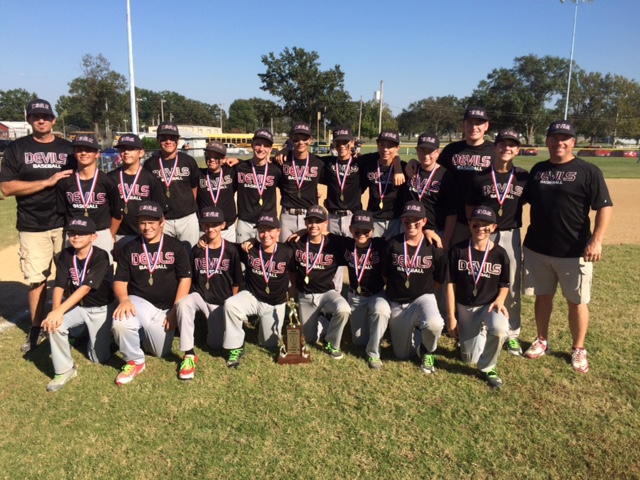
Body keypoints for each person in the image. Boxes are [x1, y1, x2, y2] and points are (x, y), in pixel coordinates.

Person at [522, 121, 613, 373]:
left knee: (576, 301)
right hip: (537, 248)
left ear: (573, 142)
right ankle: (542, 339)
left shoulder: (588, 171)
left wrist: (596, 240)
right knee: (543, 296)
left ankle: (578, 348)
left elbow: (604, 206)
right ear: (547, 140)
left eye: (565, 138)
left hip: (574, 251)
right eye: (554, 137)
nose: (559, 142)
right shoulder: (538, 170)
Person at [0, 99, 76, 352]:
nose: (40, 120)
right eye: (35, 116)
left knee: (71, 276)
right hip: (33, 224)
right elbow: (6, 188)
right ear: (29, 120)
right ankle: (35, 328)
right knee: (37, 279)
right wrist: (47, 182)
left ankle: (74, 324)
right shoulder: (16, 148)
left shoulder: (68, 149)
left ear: (53, 120)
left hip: (67, 222)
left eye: (45, 116)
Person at [111, 201, 192, 385]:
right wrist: (123, 299)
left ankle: (139, 336)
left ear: (162, 222)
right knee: (120, 321)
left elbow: (185, 279)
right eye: (142, 223)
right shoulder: (130, 248)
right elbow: (120, 280)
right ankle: (134, 360)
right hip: (139, 303)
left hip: (165, 310)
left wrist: (174, 311)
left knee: (159, 352)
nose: (147, 227)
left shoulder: (176, 246)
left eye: (151, 222)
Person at [466, 128, 529, 356]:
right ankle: (479, 325)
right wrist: (476, 231)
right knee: (480, 276)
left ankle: (512, 333)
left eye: (512, 145)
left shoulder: (523, 177)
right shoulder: (481, 176)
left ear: (517, 150)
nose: (506, 148)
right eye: (502, 144)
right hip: (484, 233)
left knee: (511, 282)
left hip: (510, 233)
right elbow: (470, 208)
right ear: (495, 147)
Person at [41, 217, 114, 391]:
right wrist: (55, 312)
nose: (76, 237)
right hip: (77, 307)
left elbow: (85, 288)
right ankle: (65, 370)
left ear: (93, 237)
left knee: (97, 358)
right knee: (55, 326)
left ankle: (104, 334)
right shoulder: (66, 255)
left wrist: (59, 311)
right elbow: (59, 285)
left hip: (100, 308)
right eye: (72, 233)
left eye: (82, 234)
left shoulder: (101, 255)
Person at [408, 106, 494, 246]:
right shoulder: (452, 150)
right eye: (469, 122)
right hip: (457, 220)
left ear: (486, 126)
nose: (474, 127)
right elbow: (431, 167)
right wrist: (412, 162)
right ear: (463, 125)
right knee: (456, 261)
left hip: (486, 221)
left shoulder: (494, 150)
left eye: (478, 123)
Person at [446, 206, 510, 388]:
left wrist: (500, 300)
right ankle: (477, 333)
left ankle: (488, 367)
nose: (481, 228)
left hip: (488, 306)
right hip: (465, 307)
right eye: (476, 224)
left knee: (500, 328)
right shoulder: (458, 250)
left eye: (486, 225)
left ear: (494, 228)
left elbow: (505, 284)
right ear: (469, 224)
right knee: (468, 359)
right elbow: (450, 285)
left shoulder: (500, 254)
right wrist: (452, 317)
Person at [175, 207, 243, 379]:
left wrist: (232, 307)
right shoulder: (197, 249)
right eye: (206, 225)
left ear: (223, 225)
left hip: (220, 300)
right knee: (183, 303)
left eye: (215, 225)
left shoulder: (231, 250)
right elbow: (189, 277)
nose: (211, 229)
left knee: (215, 345)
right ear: (202, 225)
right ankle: (188, 353)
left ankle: (226, 335)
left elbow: (236, 281)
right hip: (199, 296)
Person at [222, 214, 295, 368]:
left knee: (268, 344)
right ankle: (236, 346)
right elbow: (225, 245)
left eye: (270, 231)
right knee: (230, 304)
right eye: (262, 231)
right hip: (252, 296)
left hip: (275, 303)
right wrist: (205, 240)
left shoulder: (287, 251)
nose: (266, 235)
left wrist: (293, 293)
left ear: (278, 231)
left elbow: (295, 271)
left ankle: (259, 322)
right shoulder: (249, 249)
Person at [383, 201, 445, 373]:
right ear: (402, 221)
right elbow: (386, 275)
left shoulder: (433, 246)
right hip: (398, 302)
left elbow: (439, 278)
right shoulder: (393, 244)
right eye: (407, 221)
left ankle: (428, 350)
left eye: (416, 221)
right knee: (401, 355)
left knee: (435, 323)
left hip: (423, 298)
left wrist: (428, 297)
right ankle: (416, 329)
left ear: (424, 222)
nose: (411, 225)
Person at [288, 205, 351, 359]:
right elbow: (290, 269)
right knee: (309, 339)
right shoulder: (297, 242)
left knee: (343, 309)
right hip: (306, 295)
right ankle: (323, 320)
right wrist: (293, 290)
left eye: (318, 221)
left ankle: (332, 343)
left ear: (326, 223)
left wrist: (324, 232)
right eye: (310, 221)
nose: (314, 225)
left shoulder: (335, 242)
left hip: (327, 293)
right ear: (305, 222)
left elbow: (359, 242)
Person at [56, 134, 123, 264]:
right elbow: (63, 210)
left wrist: (109, 235)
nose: (83, 153)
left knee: (104, 277)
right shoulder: (65, 182)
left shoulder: (107, 181)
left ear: (97, 154)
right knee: (75, 272)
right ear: (74, 153)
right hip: (74, 234)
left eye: (88, 150)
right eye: (79, 149)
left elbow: (117, 213)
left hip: (100, 233)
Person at [343, 210, 391, 369]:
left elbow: (407, 239)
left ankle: (374, 353)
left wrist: (429, 232)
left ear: (372, 231)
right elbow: (323, 234)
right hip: (355, 297)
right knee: (358, 341)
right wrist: (302, 231)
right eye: (357, 230)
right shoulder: (345, 244)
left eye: (366, 231)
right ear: (350, 230)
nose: (361, 233)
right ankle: (373, 330)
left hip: (376, 295)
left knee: (381, 310)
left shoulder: (381, 244)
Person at [107, 133, 168, 253]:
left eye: (130, 149)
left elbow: (160, 212)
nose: (126, 152)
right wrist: (111, 237)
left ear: (141, 153)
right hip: (118, 234)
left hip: (143, 235)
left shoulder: (150, 179)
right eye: (122, 149)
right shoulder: (110, 178)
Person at [143, 122, 200, 248]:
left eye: (172, 138)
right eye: (164, 138)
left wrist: (188, 206)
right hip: (163, 219)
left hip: (187, 218)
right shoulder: (150, 164)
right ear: (158, 140)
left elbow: (194, 187)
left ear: (178, 140)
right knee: (165, 256)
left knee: (189, 256)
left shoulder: (188, 161)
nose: (168, 141)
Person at [403, 133, 456, 250]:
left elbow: (451, 212)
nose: (426, 155)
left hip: (435, 231)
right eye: (422, 150)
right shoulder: (410, 170)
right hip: (410, 228)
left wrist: (446, 240)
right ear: (417, 150)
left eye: (430, 151)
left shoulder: (445, 175)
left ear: (438, 152)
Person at [277, 122, 325, 241]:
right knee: (286, 253)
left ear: (310, 140)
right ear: (291, 140)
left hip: (309, 216)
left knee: (306, 253)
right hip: (287, 215)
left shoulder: (318, 162)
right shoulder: (282, 160)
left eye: (305, 139)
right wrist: (283, 150)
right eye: (296, 139)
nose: (301, 142)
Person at [235, 129, 282, 243]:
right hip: (245, 222)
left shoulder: (276, 171)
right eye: (258, 144)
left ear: (271, 149)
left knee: (265, 258)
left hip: (267, 222)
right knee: (243, 258)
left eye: (266, 146)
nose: (261, 149)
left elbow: (288, 188)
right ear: (252, 145)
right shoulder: (240, 168)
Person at [359, 131, 406, 239]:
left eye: (390, 146)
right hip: (374, 218)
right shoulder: (369, 166)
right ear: (378, 145)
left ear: (397, 148)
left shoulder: (404, 168)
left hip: (395, 220)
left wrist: (398, 166)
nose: (385, 149)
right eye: (382, 145)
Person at [196, 141, 237, 241]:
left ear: (224, 159)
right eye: (208, 156)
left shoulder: (231, 172)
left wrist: (238, 160)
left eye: (216, 157)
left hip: (227, 228)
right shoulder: (199, 174)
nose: (211, 159)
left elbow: (249, 165)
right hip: (206, 228)